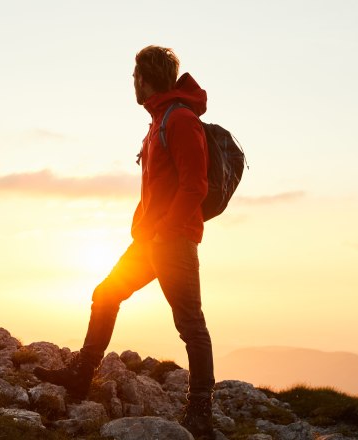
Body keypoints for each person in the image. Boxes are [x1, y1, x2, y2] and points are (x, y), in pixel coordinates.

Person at [34, 45, 215, 438]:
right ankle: (82, 374)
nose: (132, 83)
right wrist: (142, 226)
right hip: (151, 240)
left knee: (190, 325)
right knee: (106, 293)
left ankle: (201, 410)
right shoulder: (159, 120)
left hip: (174, 239)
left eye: (135, 76)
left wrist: (164, 229)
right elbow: (159, 185)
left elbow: (195, 186)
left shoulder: (180, 120)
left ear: (145, 78)